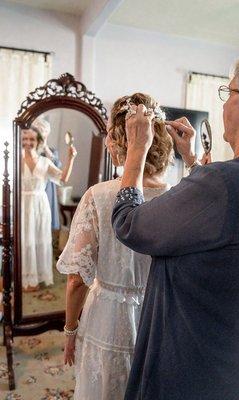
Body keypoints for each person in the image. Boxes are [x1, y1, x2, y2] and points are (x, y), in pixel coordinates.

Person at [112, 47, 239, 400]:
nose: (224, 105)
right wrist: (192, 160)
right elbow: (220, 223)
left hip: (195, 363)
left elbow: (129, 223)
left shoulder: (223, 184)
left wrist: (134, 154)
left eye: (229, 92)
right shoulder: (225, 184)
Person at [56, 93, 173, 400]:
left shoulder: (99, 195)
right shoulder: (179, 195)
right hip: (158, 319)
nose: (107, 140)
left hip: (106, 319)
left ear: (123, 140)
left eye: (110, 133)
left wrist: (70, 331)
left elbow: (76, 280)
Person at [21, 126, 77, 291]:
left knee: (39, 239)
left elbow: (63, 178)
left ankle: (38, 277)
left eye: (32, 139)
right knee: (25, 241)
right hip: (22, 204)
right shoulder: (16, 161)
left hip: (40, 205)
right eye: (25, 139)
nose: (28, 142)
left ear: (38, 141)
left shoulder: (45, 162)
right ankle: (25, 278)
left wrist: (71, 158)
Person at [33, 117, 62, 230]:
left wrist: (45, 148)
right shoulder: (30, 150)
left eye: (44, 133)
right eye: (39, 132)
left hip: (48, 188)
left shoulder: (52, 152)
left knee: (45, 221)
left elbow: (58, 170)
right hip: (33, 187)